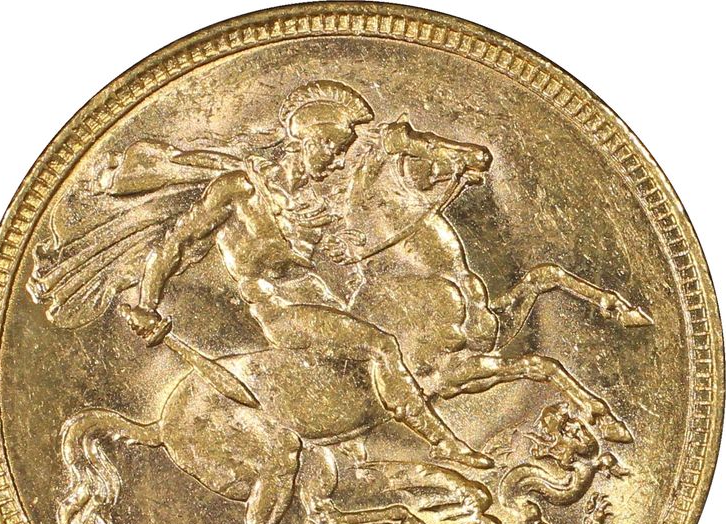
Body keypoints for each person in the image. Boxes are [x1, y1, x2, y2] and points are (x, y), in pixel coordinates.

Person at [120, 80, 490, 469]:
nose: (338, 161)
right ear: (309, 140)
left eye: (342, 152)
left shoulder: (312, 200)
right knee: (381, 345)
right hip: (281, 312)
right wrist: (146, 303)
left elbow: (354, 228)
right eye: (333, 148)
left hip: (326, 302)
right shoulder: (239, 189)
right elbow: (175, 243)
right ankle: (443, 442)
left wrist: (444, 170)